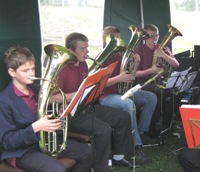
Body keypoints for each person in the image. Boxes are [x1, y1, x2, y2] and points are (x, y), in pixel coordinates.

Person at [50, 32, 134, 171]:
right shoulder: (62, 69)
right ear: (71, 51)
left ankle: (118, 157)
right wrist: (80, 94)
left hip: (85, 108)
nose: (87, 51)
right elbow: (53, 98)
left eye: (87, 48)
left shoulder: (83, 65)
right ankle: (98, 168)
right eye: (83, 48)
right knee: (103, 129)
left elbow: (86, 87)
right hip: (68, 114)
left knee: (123, 116)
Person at [0, 46, 93, 172]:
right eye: (25, 70)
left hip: (44, 141)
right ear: (12, 72)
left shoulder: (37, 89)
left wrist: (59, 114)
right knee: (56, 168)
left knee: (87, 152)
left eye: (33, 68)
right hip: (21, 151)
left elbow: (49, 116)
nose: (32, 73)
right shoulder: (4, 100)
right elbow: (6, 142)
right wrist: (36, 127)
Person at [98, 26, 157, 165]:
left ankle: (142, 132)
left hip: (122, 92)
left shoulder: (120, 55)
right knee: (128, 104)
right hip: (106, 96)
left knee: (151, 97)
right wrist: (119, 78)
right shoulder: (102, 57)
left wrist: (135, 62)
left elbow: (131, 73)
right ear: (106, 40)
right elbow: (99, 84)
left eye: (119, 38)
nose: (119, 41)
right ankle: (136, 146)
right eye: (115, 38)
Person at [134, 24, 180, 136]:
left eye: (157, 36)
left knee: (175, 91)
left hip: (158, 81)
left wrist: (164, 55)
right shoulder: (138, 51)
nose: (155, 39)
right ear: (145, 37)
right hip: (142, 83)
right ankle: (151, 127)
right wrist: (151, 70)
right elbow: (133, 73)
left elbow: (176, 64)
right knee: (158, 92)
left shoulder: (162, 48)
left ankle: (167, 124)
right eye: (152, 36)